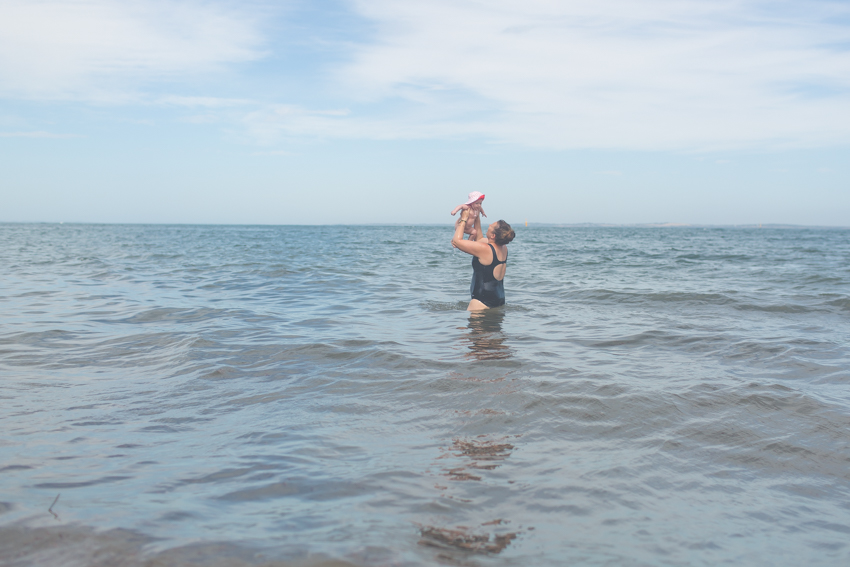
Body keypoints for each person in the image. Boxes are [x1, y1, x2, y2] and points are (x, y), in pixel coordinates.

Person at [452, 210, 515, 311]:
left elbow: (456, 241)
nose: (489, 224)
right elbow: (479, 238)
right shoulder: (503, 248)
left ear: (493, 235)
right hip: (499, 298)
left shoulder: (485, 249)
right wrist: (476, 216)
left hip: (481, 301)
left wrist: (464, 218)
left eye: (492, 225)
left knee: (472, 327)